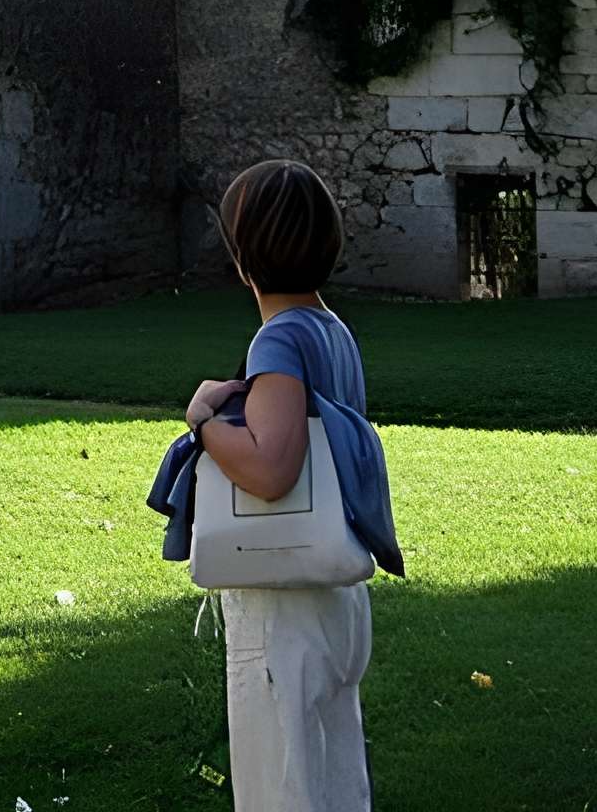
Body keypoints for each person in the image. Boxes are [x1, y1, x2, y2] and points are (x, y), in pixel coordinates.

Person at [178, 159, 401, 812]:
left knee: (283, 787)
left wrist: (202, 421)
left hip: (285, 602)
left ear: (245, 258)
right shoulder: (334, 332)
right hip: (335, 592)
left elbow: (271, 469)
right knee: (334, 780)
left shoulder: (280, 339)